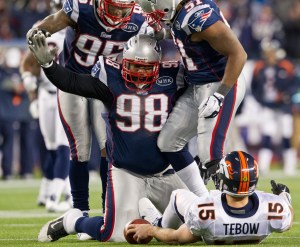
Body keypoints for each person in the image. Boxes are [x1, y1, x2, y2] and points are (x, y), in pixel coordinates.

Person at [30, 32, 194, 242]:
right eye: (134, 65)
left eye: (145, 67)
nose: (139, 73)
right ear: (123, 62)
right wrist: (49, 66)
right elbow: (73, 82)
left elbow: (204, 79)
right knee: (115, 234)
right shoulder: (110, 77)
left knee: (195, 224)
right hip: (127, 172)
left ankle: (152, 218)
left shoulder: (174, 77)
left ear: (158, 65)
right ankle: (73, 221)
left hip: (166, 171)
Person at [26, 0, 150, 229]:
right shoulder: (81, 8)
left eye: (124, 9)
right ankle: (80, 209)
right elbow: (52, 23)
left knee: (107, 147)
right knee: (80, 149)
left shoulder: (139, 19)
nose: (118, 13)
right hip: (72, 82)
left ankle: (107, 209)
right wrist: (37, 32)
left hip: (104, 85)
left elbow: (154, 43)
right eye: (114, 7)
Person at [138, 0, 247, 181]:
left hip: (220, 83)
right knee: (168, 142)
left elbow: (239, 53)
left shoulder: (196, 17)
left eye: (156, 11)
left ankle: (232, 203)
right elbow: (183, 34)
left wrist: (220, 95)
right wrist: (162, 33)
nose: (156, 16)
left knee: (210, 153)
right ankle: (199, 196)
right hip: (196, 85)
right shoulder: (182, 12)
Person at [128, 151, 293, 245]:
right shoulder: (275, 208)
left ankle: (158, 221)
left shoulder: (204, 211)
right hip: (226, 222)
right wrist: (284, 196)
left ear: (226, 180)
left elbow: (177, 238)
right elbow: (289, 220)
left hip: (209, 225)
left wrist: (151, 230)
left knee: (178, 194)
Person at [20, 0, 72, 212]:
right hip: (45, 93)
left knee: (63, 147)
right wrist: (31, 94)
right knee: (52, 147)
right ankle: (51, 192)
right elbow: (27, 63)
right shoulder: (43, 29)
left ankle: (54, 196)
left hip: (66, 92)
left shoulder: (77, 30)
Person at [251, 39, 297, 176]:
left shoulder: (286, 65)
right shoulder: (259, 66)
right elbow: (254, 87)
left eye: (271, 51)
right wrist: (261, 101)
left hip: (284, 107)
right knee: (267, 135)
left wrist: (287, 95)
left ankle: (290, 166)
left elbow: (295, 84)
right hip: (268, 106)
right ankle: (264, 166)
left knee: (286, 134)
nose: (269, 54)